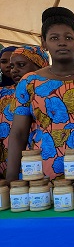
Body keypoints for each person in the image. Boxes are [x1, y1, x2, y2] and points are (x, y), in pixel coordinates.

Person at [6, 7, 74, 184]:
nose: (62, 43)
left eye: (68, 38)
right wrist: (11, 179)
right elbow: (18, 133)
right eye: (54, 38)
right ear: (44, 43)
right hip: (42, 170)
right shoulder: (29, 82)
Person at [0, 46, 50, 177]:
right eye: (12, 66)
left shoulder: (48, 94)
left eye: (21, 65)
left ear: (40, 65)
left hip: (36, 158)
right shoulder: (2, 93)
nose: (14, 70)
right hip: (6, 160)